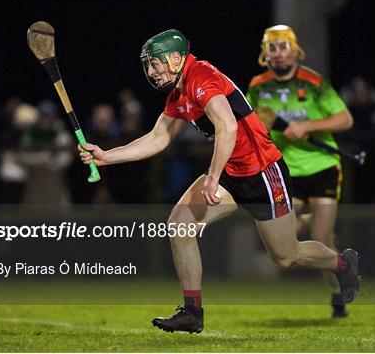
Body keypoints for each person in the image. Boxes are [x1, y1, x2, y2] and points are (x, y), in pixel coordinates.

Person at [78, 29, 360, 333]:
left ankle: (342, 264)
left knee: (286, 255)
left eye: (155, 64)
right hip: (230, 171)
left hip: (263, 172)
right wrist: (106, 156)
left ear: (175, 58)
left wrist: (212, 178)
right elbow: (158, 138)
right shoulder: (179, 92)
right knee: (179, 224)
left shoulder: (202, 78)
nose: (151, 72)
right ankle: (192, 312)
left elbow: (228, 127)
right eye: (147, 66)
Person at [246, 25, 354, 318]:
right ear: (264, 54)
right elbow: (247, 122)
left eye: (283, 47)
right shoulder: (258, 86)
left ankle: (337, 292)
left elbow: (344, 119)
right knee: (284, 243)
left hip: (322, 166)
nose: (278, 53)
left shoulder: (314, 82)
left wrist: (308, 126)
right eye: (272, 48)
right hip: (285, 172)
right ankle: (317, 236)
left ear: (295, 50)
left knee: (322, 234)